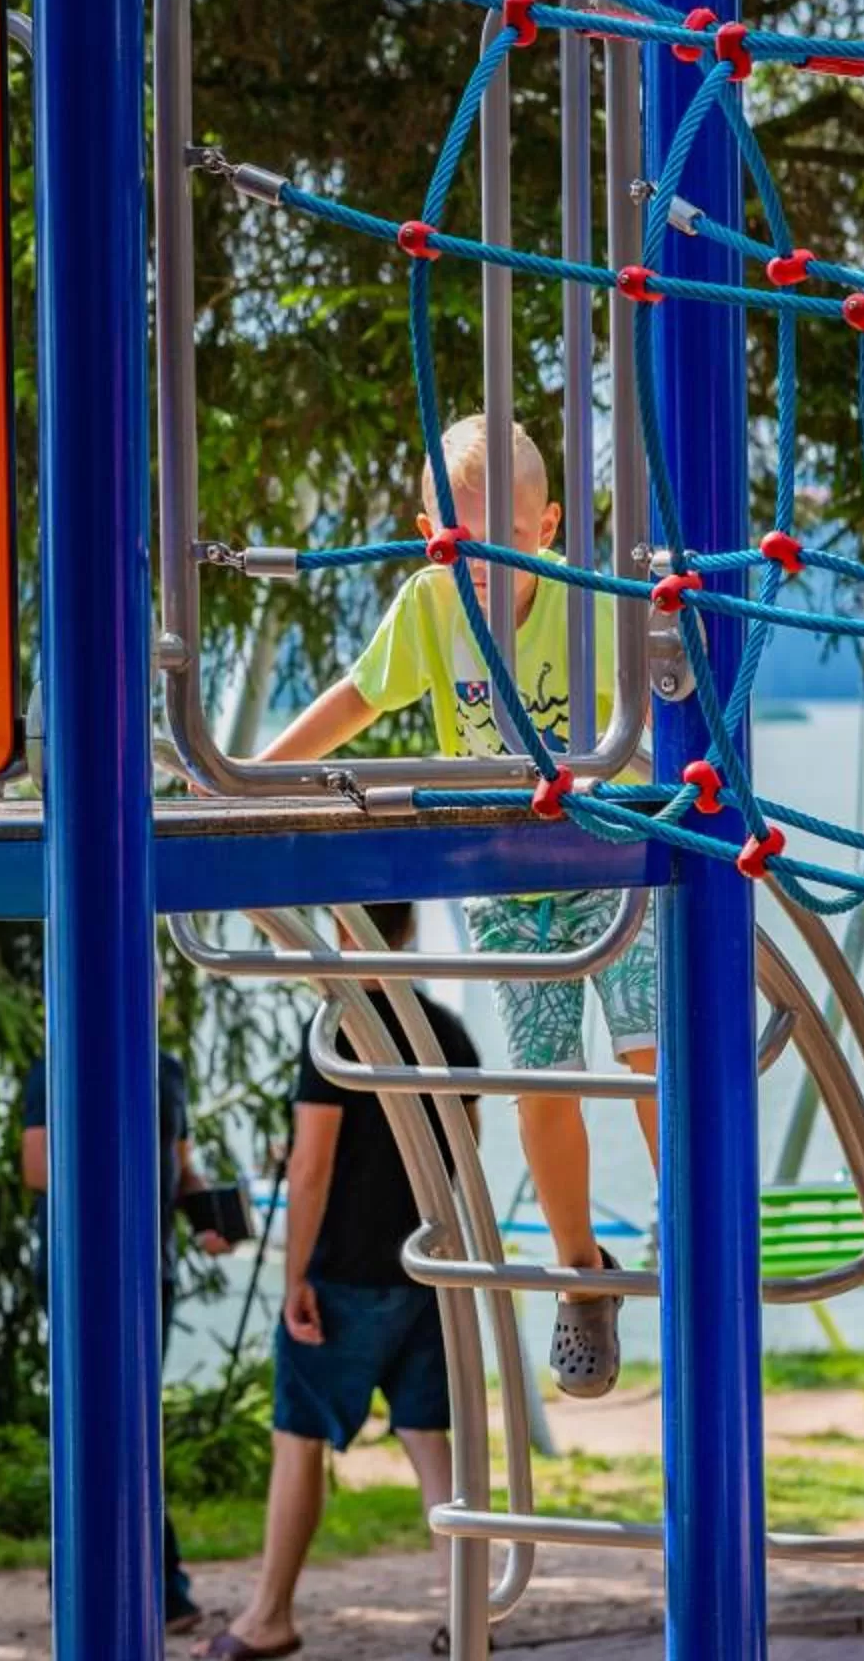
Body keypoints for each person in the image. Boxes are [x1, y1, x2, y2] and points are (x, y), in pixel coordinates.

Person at [250, 413, 657, 1399]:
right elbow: (358, 696)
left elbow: (657, 718)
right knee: (541, 1083)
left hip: (619, 860)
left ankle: (700, 1218)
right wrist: (255, 776)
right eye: (455, 540)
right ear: (427, 527)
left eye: (501, 540)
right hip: (513, 880)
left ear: (548, 524)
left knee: (654, 1052)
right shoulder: (430, 603)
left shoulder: (584, 601)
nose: (475, 562)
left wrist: (672, 787)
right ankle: (579, 1269)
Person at [201, 905, 478, 1661]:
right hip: (425, 1268)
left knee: (299, 1438)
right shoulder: (444, 1031)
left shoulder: (336, 1030)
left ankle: (269, 1614)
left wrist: (295, 1275)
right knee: (429, 1441)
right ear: (409, 933)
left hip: (345, 1276)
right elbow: (464, 1153)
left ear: (344, 931)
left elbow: (310, 1167)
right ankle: (468, 1613)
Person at [20, 1040, 232, 1638]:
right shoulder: (56, 1062)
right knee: (88, 1421)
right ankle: (91, 1581)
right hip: (76, 1269)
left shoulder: (166, 1069)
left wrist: (209, 1216)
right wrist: (119, 1173)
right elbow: (37, 1166)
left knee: (137, 1423)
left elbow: (181, 1164)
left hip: (150, 1268)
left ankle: (160, 1585)